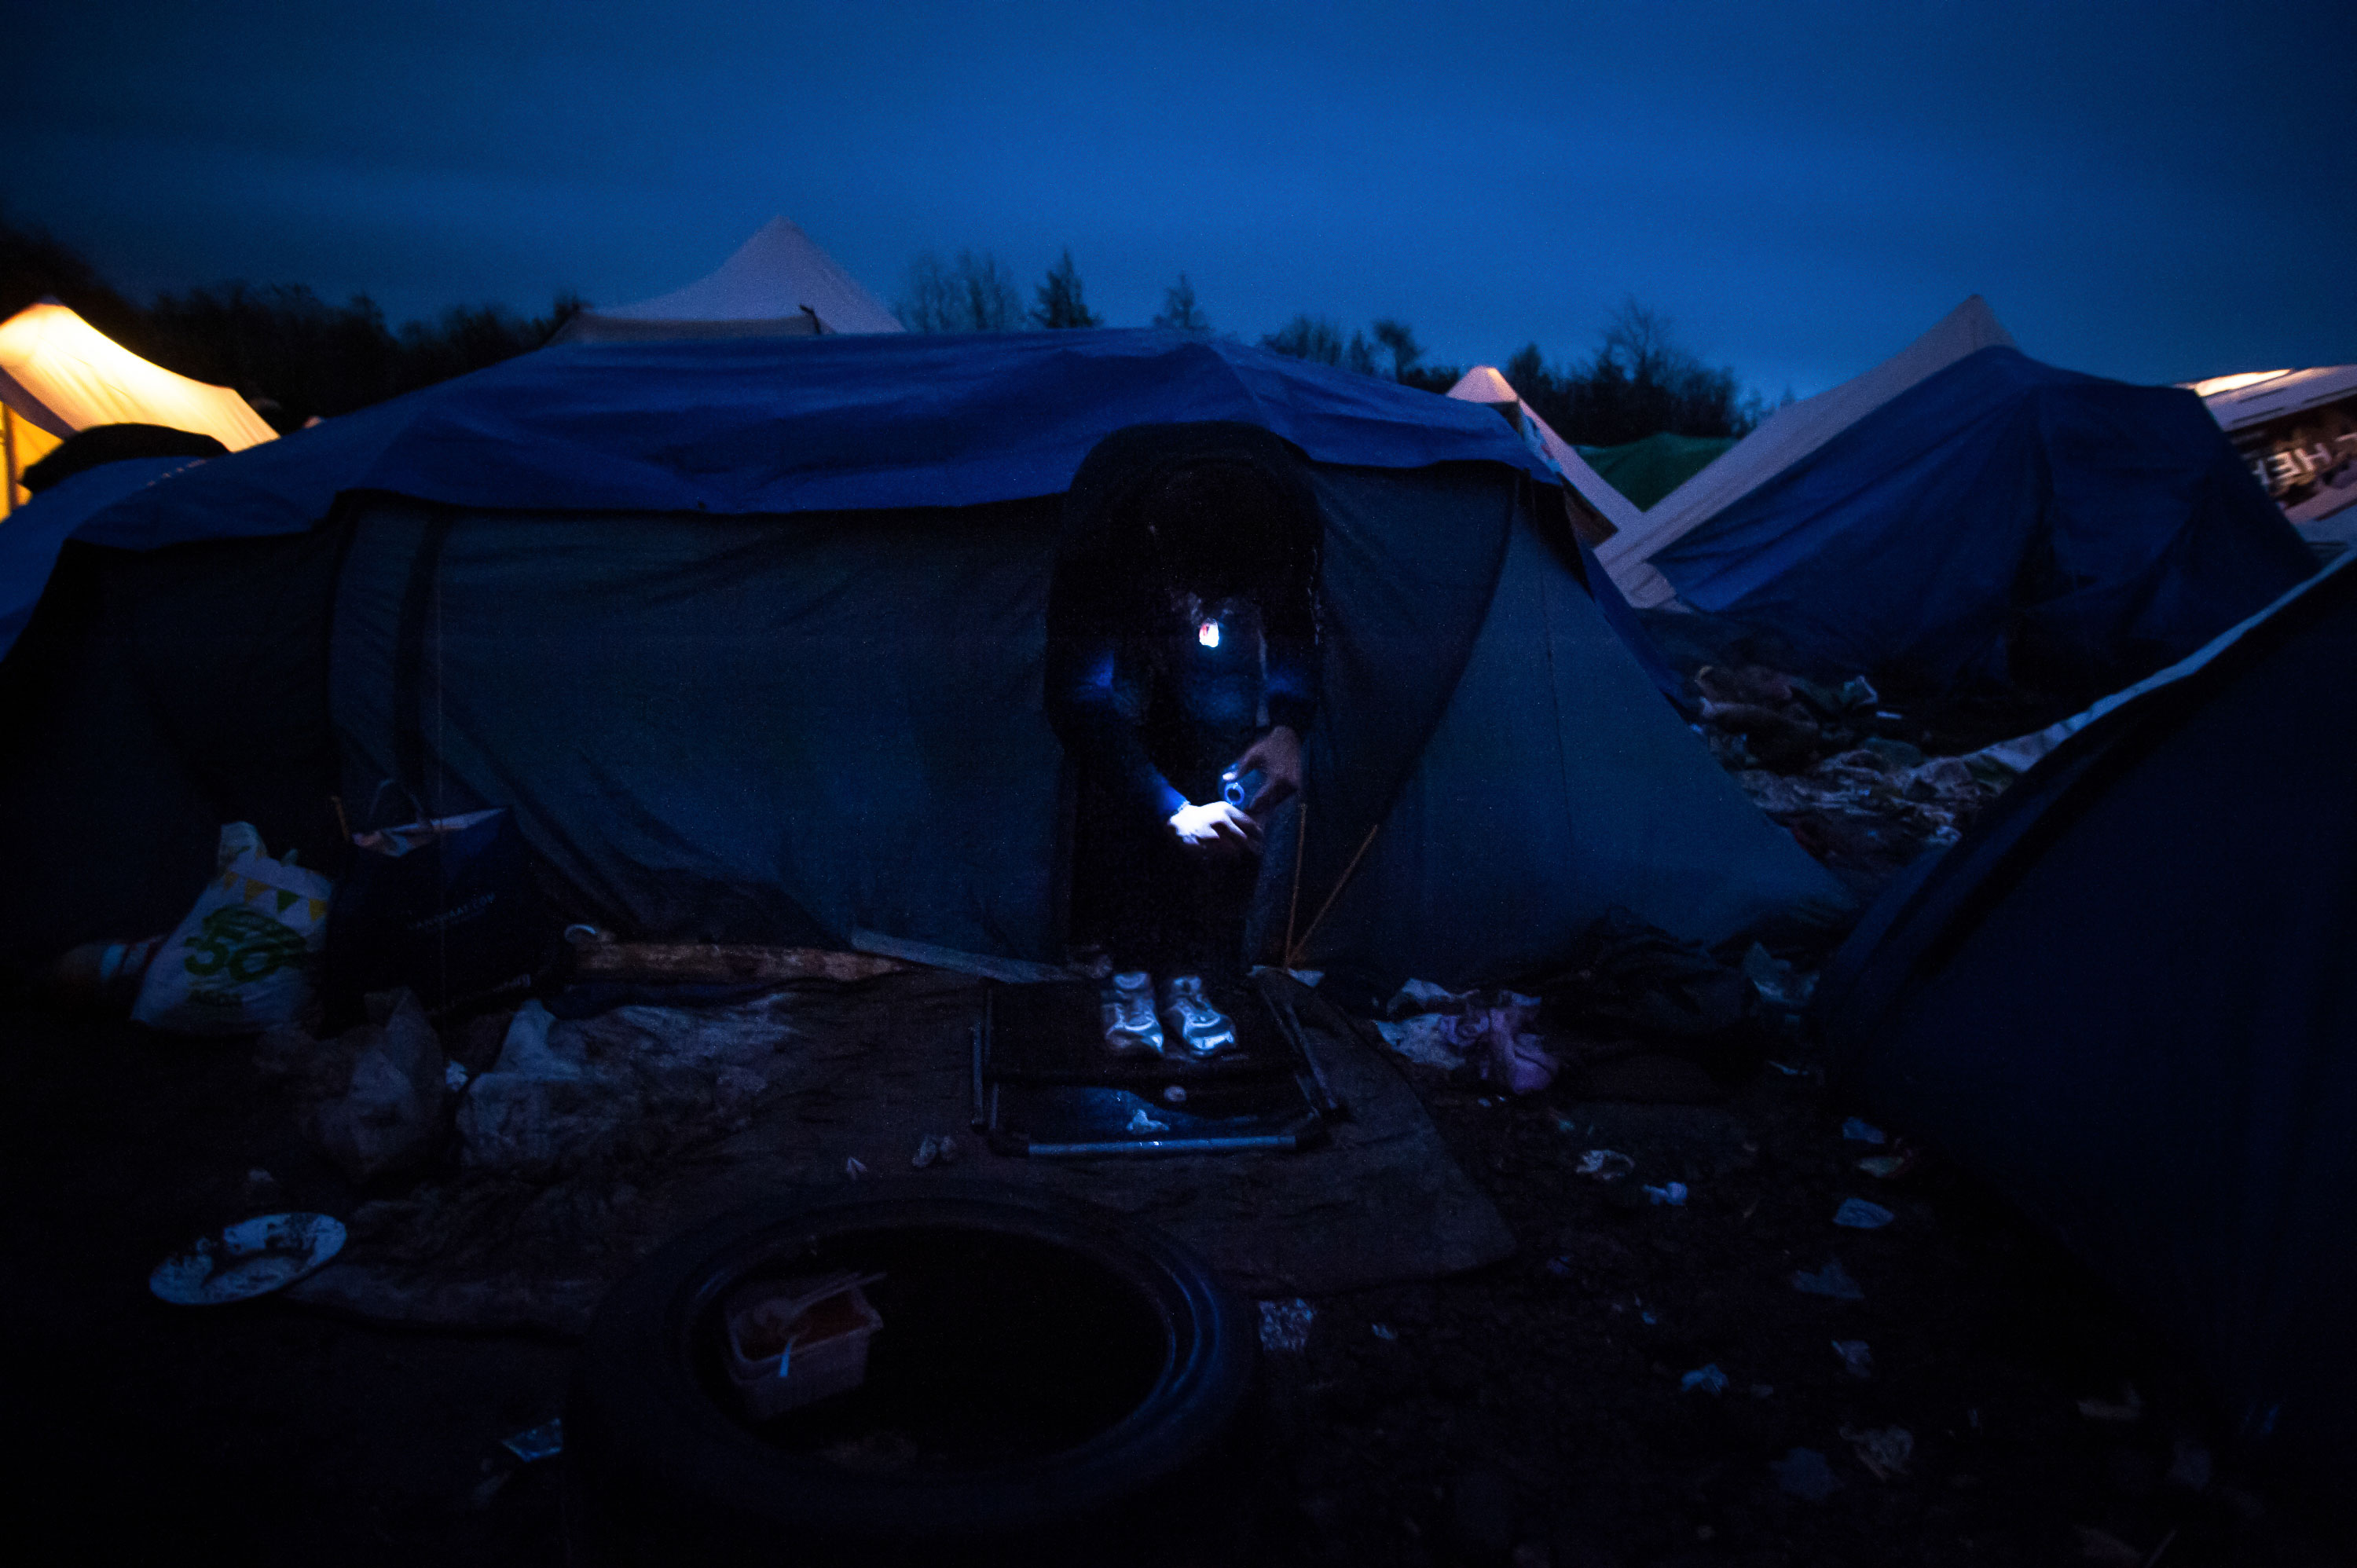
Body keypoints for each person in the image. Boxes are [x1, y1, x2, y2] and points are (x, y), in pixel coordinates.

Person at [1046, 443, 1321, 1057]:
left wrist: (1288, 727)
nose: (1205, 612)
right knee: (1121, 743)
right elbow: (1075, 696)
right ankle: (1127, 973)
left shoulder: (1290, 519)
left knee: (1218, 741)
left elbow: (1298, 625)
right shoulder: (1099, 536)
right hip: (1127, 579)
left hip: (1206, 572)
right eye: (1202, 596)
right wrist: (1168, 808)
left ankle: (1184, 972)